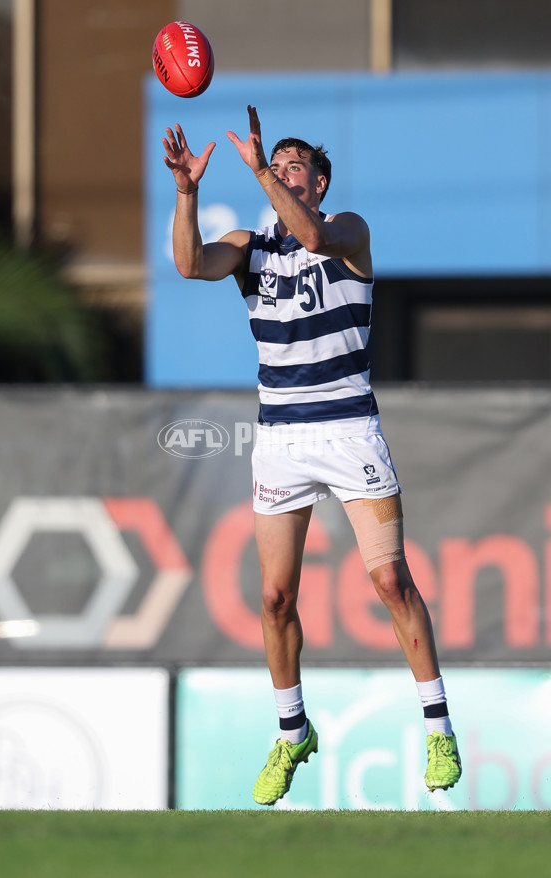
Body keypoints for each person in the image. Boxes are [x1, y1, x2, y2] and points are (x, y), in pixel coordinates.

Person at [162, 105, 461, 806]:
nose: (286, 172)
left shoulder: (347, 230)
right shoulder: (251, 244)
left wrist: (262, 171)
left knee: (391, 583)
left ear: (320, 183)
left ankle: (439, 725)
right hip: (282, 440)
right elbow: (188, 264)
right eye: (280, 164)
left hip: (349, 429)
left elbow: (315, 236)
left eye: (299, 166)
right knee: (273, 597)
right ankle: (292, 731)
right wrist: (185, 192)